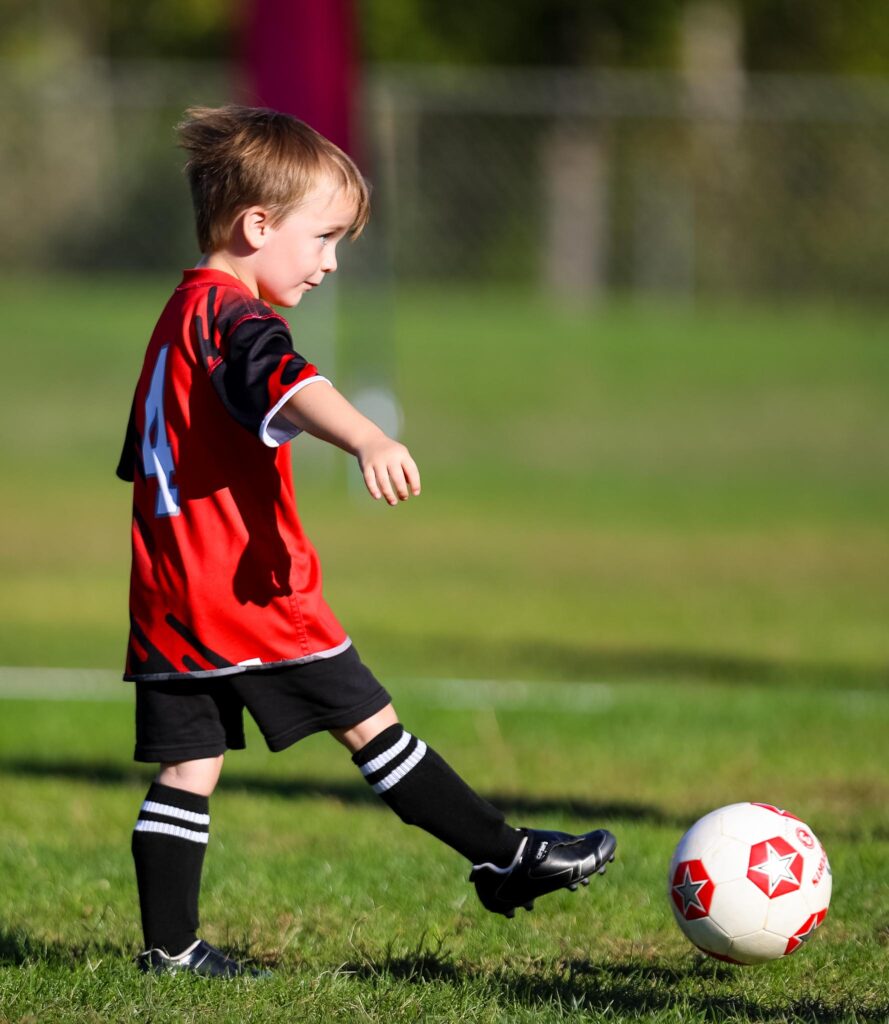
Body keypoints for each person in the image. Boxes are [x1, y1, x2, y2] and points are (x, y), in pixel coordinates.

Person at [117, 105, 616, 978]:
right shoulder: (234, 320)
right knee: (371, 728)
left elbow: (146, 457)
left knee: (188, 767)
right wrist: (366, 438)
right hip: (248, 595)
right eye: (323, 238)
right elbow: (288, 378)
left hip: (168, 592)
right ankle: (503, 856)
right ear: (257, 225)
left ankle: (170, 951)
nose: (330, 262)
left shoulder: (177, 318)